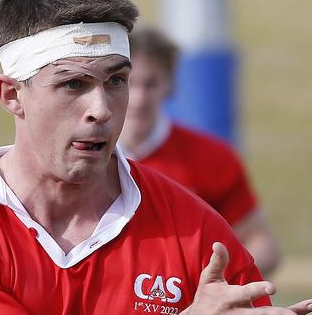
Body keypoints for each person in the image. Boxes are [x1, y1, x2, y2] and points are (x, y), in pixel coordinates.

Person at [0, 0, 312, 315]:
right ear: (12, 95)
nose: (102, 107)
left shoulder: (197, 233)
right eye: (73, 84)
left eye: (116, 80)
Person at [120, 27, 280, 277]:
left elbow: (262, 244)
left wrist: (215, 283)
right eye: (128, 82)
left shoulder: (213, 158)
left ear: (170, 84)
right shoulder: (85, 155)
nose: (139, 98)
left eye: (151, 83)